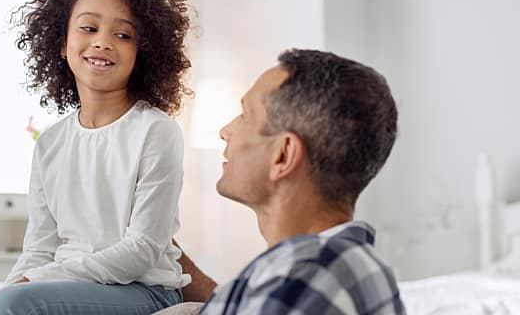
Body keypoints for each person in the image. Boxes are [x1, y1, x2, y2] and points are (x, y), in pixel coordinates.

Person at [0, 0, 193, 315]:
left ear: (142, 53)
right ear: (62, 44)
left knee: (16, 302)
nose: (103, 42)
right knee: (7, 301)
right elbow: (39, 249)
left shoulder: (157, 132)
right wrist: (5, 291)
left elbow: (142, 250)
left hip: (145, 290)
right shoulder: (50, 143)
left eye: (123, 35)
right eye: (89, 28)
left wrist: (32, 285)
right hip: (64, 285)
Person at [172, 49, 405, 314]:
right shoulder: (349, 265)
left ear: (283, 155)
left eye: (246, 115)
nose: (225, 131)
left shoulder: (302, 280)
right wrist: (166, 253)